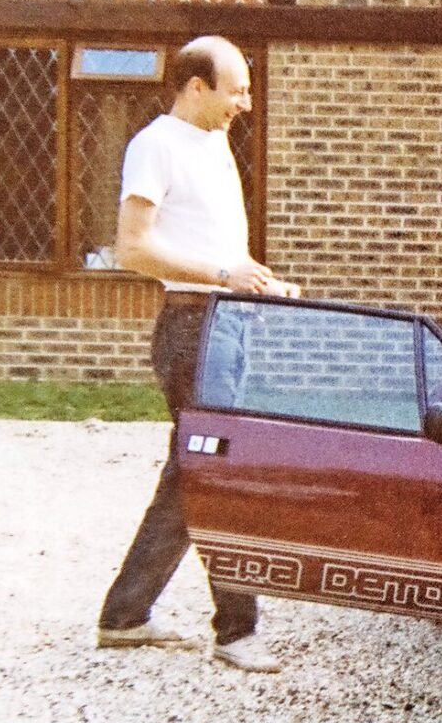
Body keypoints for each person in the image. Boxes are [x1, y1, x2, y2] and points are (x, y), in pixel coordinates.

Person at [94, 37, 298, 671]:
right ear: (196, 86)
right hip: (192, 331)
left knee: (191, 473)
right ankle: (237, 632)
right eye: (235, 89)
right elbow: (133, 249)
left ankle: (125, 616)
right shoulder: (155, 145)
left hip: (223, 323)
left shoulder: (212, 142)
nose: (245, 102)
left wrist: (251, 276)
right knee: (217, 471)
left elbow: (212, 248)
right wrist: (220, 274)